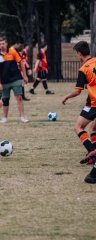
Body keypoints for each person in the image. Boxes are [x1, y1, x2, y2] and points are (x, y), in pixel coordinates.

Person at [61, 41, 96, 184]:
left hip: (94, 103)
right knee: (93, 129)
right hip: (92, 102)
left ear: (79, 53)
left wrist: (66, 97)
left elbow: (77, 91)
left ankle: (92, 151)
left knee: (78, 127)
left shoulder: (84, 68)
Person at [0, 37, 29, 123]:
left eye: (3, 43)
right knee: (5, 100)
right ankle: (5, 118)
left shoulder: (12, 51)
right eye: (0, 44)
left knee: (19, 97)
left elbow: (21, 62)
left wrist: (24, 76)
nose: (2, 45)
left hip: (16, 79)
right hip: (4, 81)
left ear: (6, 44)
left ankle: (22, 117)